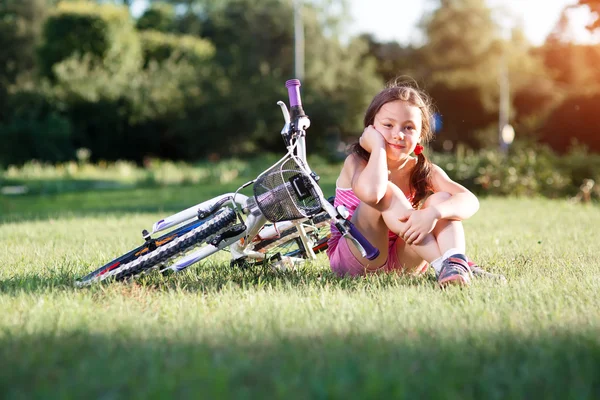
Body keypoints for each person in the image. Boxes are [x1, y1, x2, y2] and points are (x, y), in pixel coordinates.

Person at [326, 80, 505, 286]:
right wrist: (377, 148)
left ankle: (454, 264)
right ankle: (444, 265)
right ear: (371, 128)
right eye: (388, 125)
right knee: (387, 192)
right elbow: (373, 194)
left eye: (409, 127)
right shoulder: (356, 162)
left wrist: (433, 213)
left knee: (443, 200)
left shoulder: (422, 169)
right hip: (357, 257)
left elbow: (470, 201)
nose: (398, 134)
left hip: (405, 262)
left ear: (420, 135)